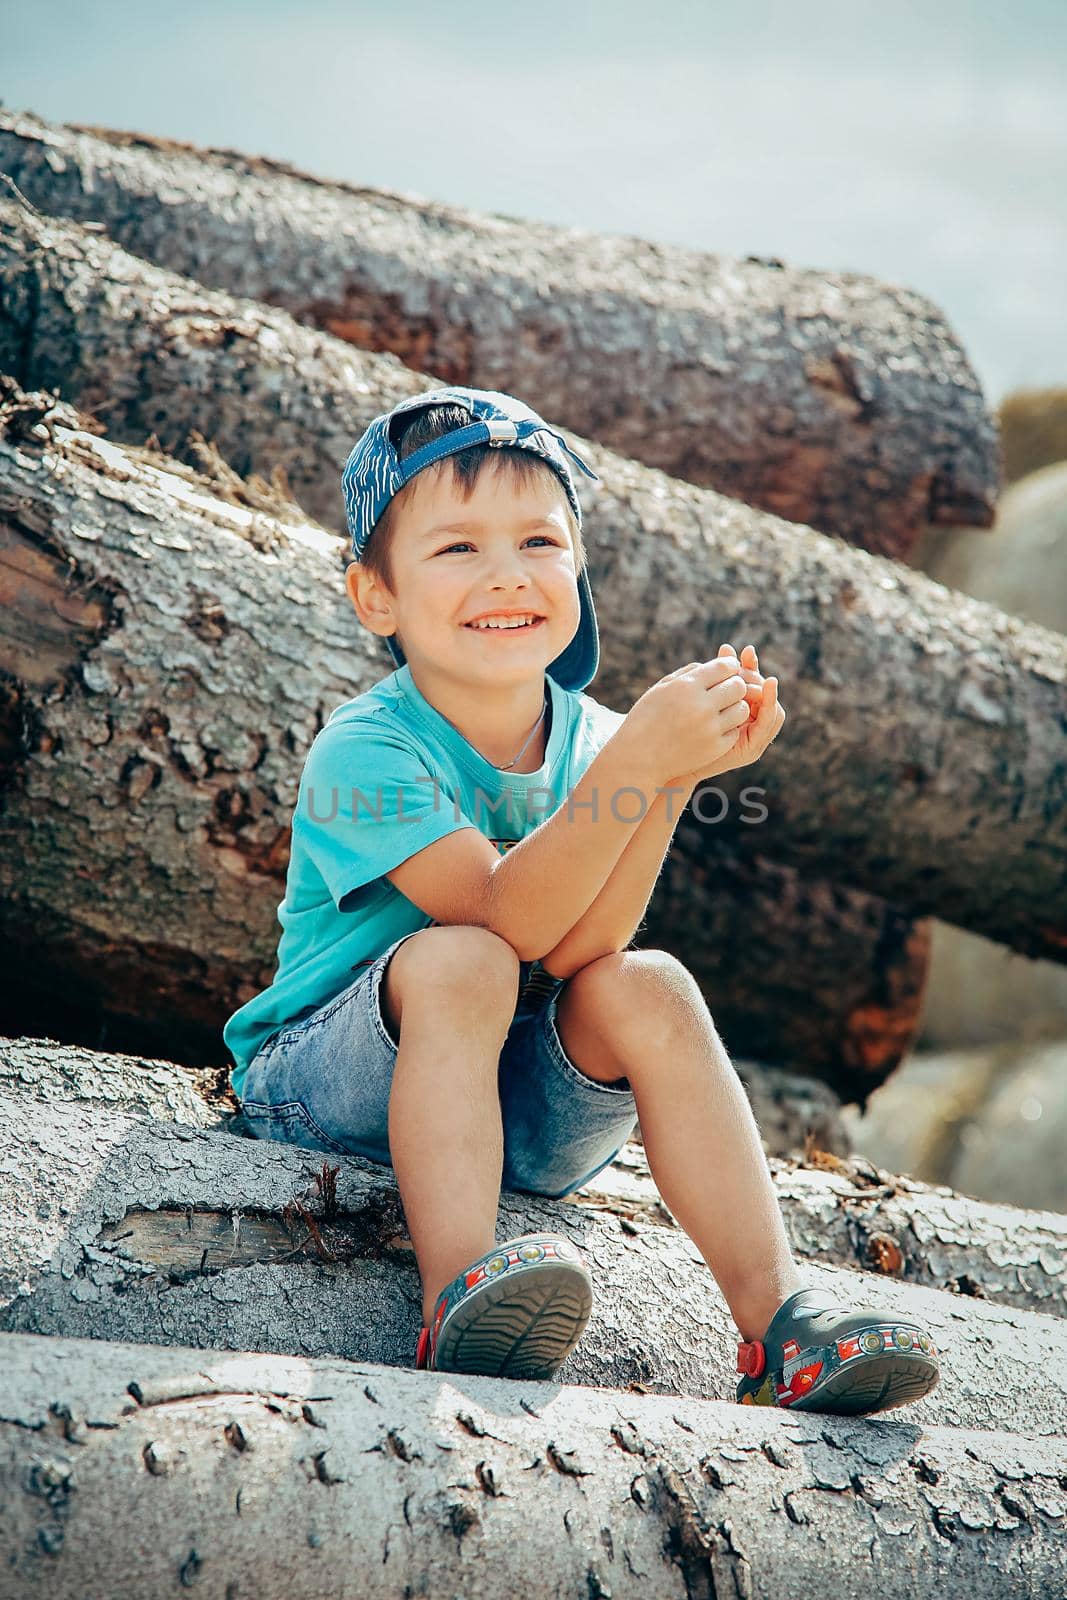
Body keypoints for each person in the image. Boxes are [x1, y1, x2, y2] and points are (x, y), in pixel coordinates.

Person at [223, 385, 942, 1415]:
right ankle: (455, 1300)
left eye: (537, 541)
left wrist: (667, 775)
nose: (507, 572)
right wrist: (641, 758)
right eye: (456, 549)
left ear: (577, 563)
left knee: (645, 983)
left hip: (507, 1105)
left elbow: (578, 950)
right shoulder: (367, 746)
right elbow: (500, 920)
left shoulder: (597, 738)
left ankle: (779, 1324)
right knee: (464, 958)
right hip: (326, 1090)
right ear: (374, 597)